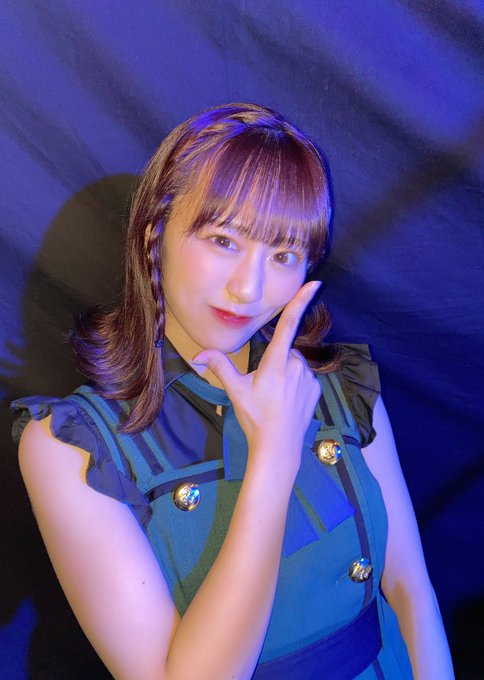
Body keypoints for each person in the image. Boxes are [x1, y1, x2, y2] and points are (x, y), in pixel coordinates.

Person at [12, 102, 454, 679]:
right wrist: (272, 460)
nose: (249, 288)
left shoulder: (337, 385)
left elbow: (411, 590)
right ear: (154, 234)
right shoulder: (73, 447)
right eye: (224, 240)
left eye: (284, 255)